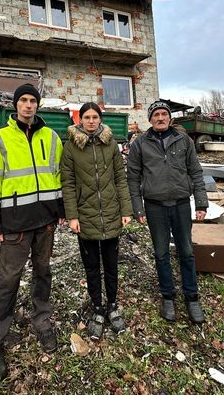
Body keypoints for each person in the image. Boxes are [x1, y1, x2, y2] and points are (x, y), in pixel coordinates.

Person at [0, 83, 64, 380]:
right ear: (15, 105)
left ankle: (42, 320)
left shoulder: (52, 138)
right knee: (8, 279)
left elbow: (58, 176)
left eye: (33, 100)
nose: (28, 105)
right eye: (23, 100)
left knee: (43, 272)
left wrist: (60, 211)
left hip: (45, 223)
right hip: (14, 224)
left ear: (38, 105)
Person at [126, 100, 208, 324]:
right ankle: (168, 297)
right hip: (155, 207)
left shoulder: (184, 141)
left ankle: (192, 297)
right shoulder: (140, 144)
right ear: (150, 119)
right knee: (161, 253)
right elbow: (132, 178)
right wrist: (138, 208)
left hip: (181, 204)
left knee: (187, 252)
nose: (160, 118)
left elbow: (196, 172)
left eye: (164, 114)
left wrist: (201, 203)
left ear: (170, 118)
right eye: (156, 115)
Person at [60, 102, 133, 340]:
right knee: (92, 267)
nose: (91, 121)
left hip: (111, 213)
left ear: (100, 119)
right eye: (87, 117)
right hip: (85, 216)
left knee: (111, 265)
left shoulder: (110, 144)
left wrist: (126, 209)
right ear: (79, 120)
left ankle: (112, 305)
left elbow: (120, 179)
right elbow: (68, 184)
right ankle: (97, 308)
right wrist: (72, 216)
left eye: (95, 117)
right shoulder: (70, 148)